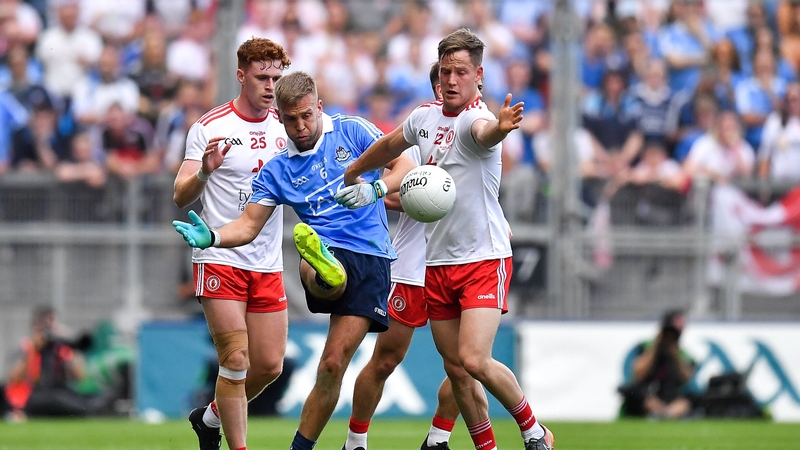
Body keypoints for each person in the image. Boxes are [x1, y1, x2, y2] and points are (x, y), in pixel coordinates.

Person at [172, 71, 416, 450]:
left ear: (319, 107)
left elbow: (405, 166)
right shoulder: (278, 170)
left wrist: (375, 189)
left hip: (372, 257)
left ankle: (299, 444)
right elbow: (249, 224)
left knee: (332, 365)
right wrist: (215, 236)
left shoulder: (351, 131)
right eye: (291, 119)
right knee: (313, 259)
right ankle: (322, 268)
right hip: (328, 251)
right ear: (281, 118)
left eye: (306, 116)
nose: (300, 126)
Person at [340, 28, 554, 450]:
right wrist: (353, 173)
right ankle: (469, 444)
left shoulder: (477, 120)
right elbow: (388, 144)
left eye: (460, 72)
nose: (451, 79)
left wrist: (502, 128)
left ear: (478, 76)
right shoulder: (423, 118)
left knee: (474, 359)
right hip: (435, 262)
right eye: (444, 71)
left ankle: (534, 433)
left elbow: (484, 134)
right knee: (458, 369)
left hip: (482, 257)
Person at [172, 37, 292, 450]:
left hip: (267, 262)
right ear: (241, 75)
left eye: (277, 76)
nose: (271, 85)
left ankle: (208, 418)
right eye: (262, 76)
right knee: (236, 360)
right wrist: (204, 173)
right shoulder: (210, 126)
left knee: (270, 365)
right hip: (218, 255)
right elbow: (180, 194)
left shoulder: (286, 125)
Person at [339, 61, 466, 450]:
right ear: (434, 89)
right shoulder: (415, 136)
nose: (449, 86)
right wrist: (408, 199)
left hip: (461, 260)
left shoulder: (476, 133)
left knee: (466, 365)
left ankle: (438, 438)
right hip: (413, 265)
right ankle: (354, 442)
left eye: (456, 79)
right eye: (442, 82)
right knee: (385, 359)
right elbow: (389, 192)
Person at [3, 306, 109, 420]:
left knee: (90, 399)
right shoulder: (27, 346)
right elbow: (13, 378)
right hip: (34, 396)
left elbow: (80, 376)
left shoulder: (60, 348)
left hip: (59, 392)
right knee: (59, 400)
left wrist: (72, 346)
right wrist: (33, 349)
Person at [618, 309, 698, 419]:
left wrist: (675, 355)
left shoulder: (683, 354)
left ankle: (669, 412)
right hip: (648, 395)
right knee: (631, 390)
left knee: (695, 395)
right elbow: (637, 373)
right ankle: (656, 411)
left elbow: (687, 379)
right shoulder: (646, 347)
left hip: (672, 396)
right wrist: (656, 347)